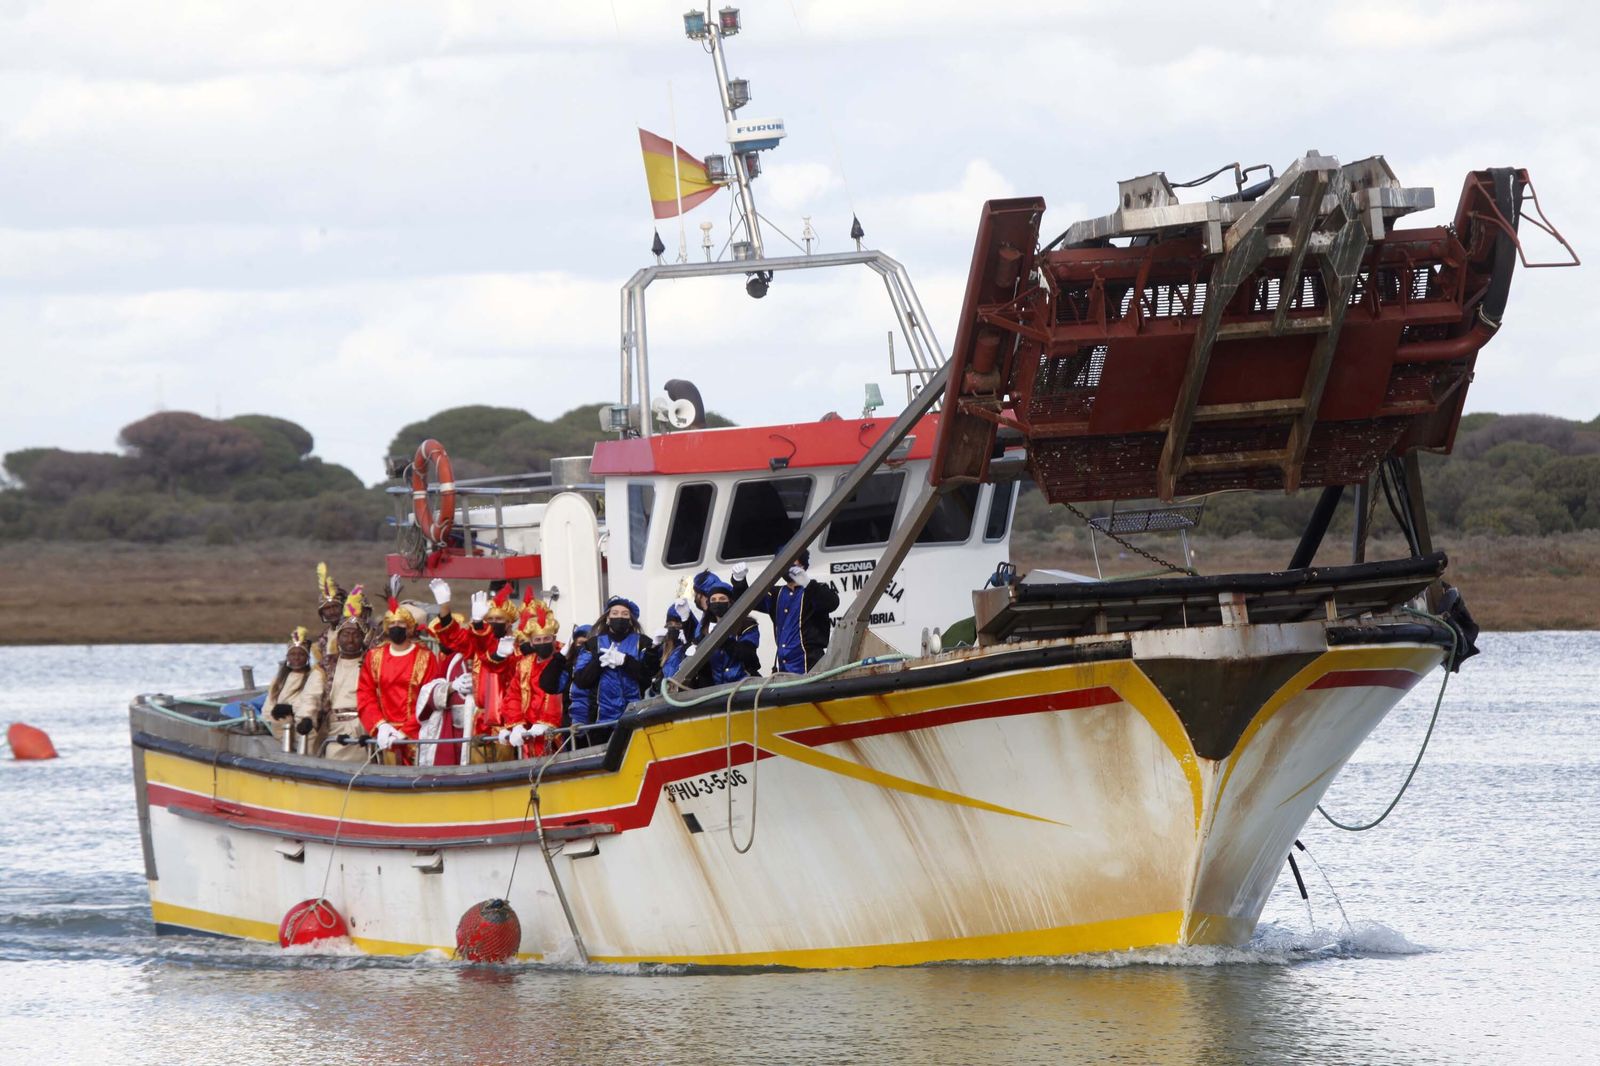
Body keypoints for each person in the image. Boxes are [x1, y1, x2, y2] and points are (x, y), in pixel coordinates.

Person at [357, 596, 444, 765]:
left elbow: (430, 699)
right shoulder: (375, 656)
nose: (396, 628)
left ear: (410, 627)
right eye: (392, 624)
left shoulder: (425, 657)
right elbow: (365, 695)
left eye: (401, 624)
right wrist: (380, 725)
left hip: (418, 737)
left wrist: (406, 731)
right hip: (386, 736)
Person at [735, 549, 840, 674]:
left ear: (802, 566)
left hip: (810, 663)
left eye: (792, 565)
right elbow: (747, 601)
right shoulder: (776, 593)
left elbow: (831, 603)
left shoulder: (815, 590)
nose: (788, 569)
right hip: (784, 666)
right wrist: (738, 581)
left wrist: (809, 584)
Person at [572, 596, 659, 746]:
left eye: (625, 614)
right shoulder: (592, 644)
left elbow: (649, 676)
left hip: (636, 717)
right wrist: (599, 661)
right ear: (607, 618)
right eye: (615, 613)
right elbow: (581, 680)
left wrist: (625, 661)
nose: (620, 617)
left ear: (631, 620)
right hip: (601, 721)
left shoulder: (643, 642)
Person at [499, 598, 564, 757]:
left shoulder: (562, 660)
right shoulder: (524, 665)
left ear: (553, 639)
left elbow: (558, 694)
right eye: (538, 640)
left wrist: (546, 722)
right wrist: (517, 725)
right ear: (532, 643)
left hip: (557, 734)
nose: (543, 643)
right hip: (529, 735)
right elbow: (513, 696)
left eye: (546, 639)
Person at [682, 578, 761, 687]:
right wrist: (693, 652)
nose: (717, 602)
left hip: (743, 684)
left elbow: (748, 655)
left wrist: (722, 640)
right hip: (715, 689)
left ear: (730, 601)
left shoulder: (746, 624)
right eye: (713, 600)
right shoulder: (704, 628)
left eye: (722, 598)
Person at [265, 626, 326, 754]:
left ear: (307, 657)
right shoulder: (279, 678)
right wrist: (273, 714)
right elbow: (268, 705)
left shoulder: (313, 676)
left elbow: (311, 702)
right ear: (287, 657)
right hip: (280, 728)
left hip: (303, 727)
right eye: (292, 654)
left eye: (301, 654)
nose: (296, 658)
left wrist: (291, 709)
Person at [541, 623, 593, 739]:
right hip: (571, 727)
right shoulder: (569, 667)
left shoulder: (601, 663)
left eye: (588, 644)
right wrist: (560, 656)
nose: (584, 648)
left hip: (595, 726)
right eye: (580, 643)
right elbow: (548, 685)